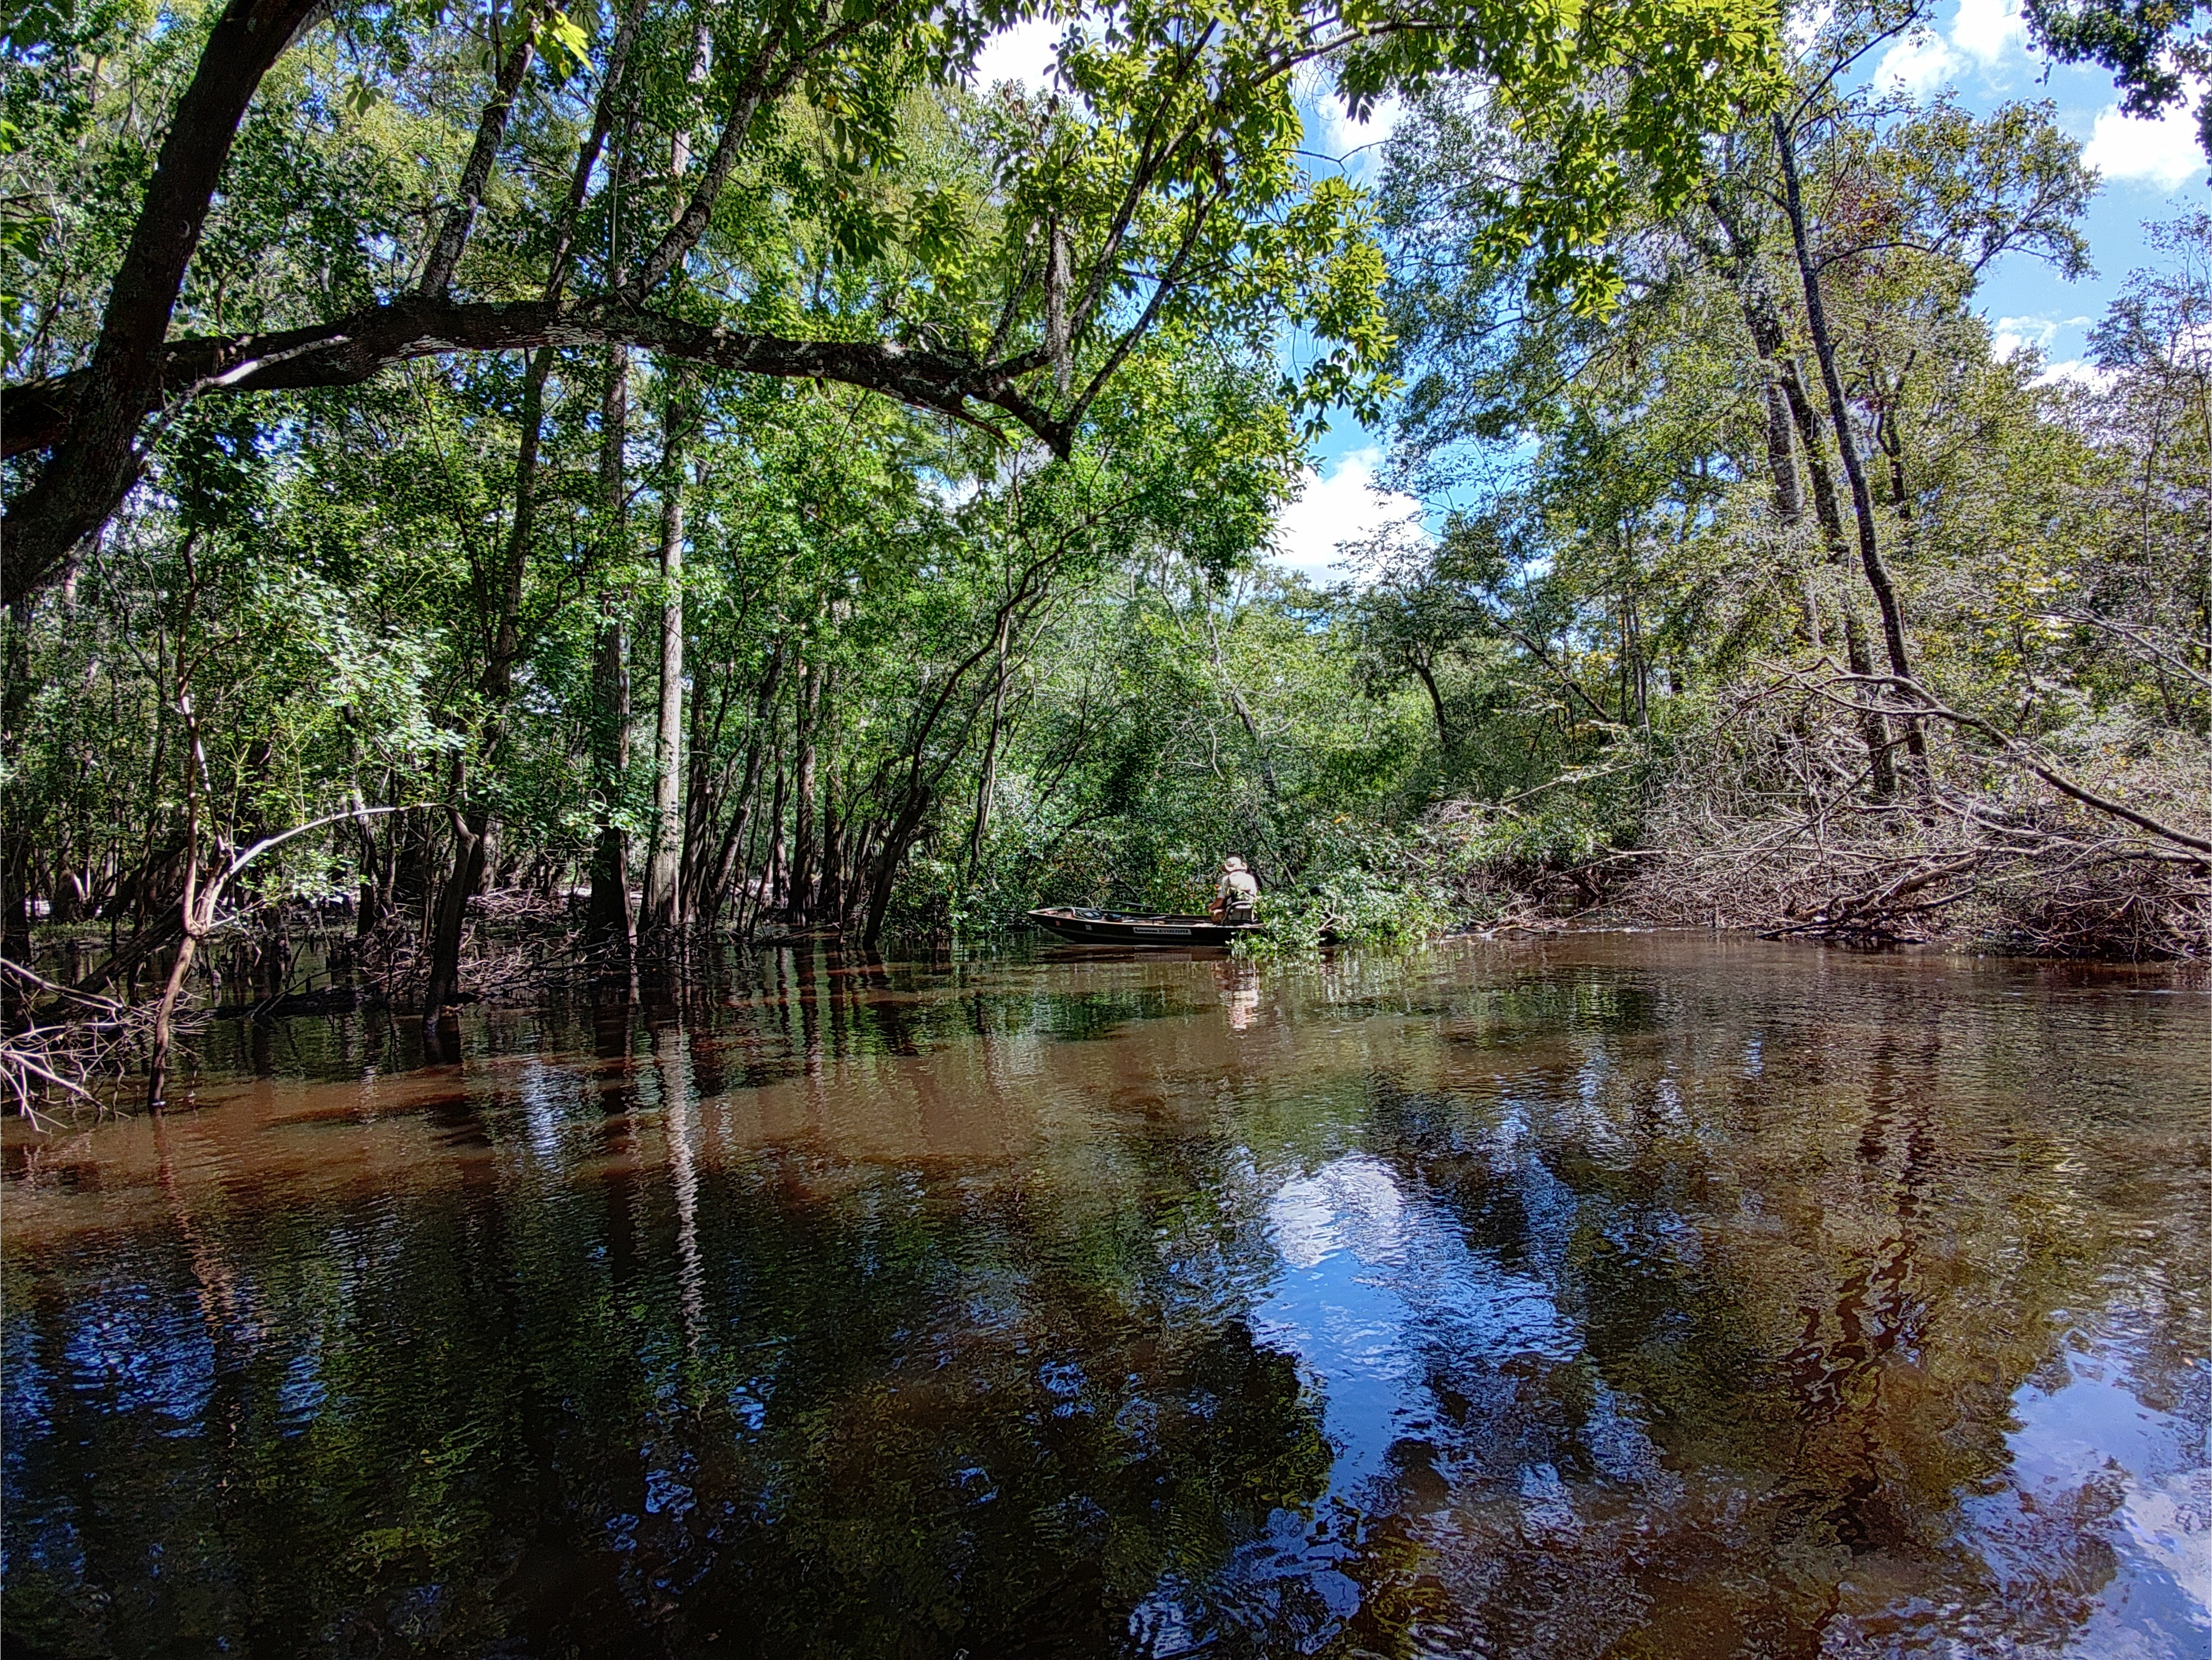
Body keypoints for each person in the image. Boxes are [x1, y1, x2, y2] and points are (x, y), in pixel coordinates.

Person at [1210, 855, 1260, 924]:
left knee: (1215, 914)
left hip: (1231, 915)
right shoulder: (1250, 878)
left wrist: (1210, 908)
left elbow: (1220, 902)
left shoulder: (1227, 879)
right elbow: (1256, 898)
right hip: (1250, 916)